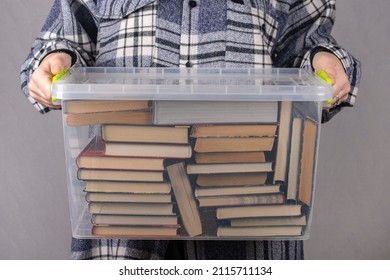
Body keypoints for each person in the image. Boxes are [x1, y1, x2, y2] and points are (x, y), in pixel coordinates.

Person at [20, 0, 361, 260]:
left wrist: (324, 62)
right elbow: (62, 38)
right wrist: (55, 60)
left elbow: (308, 47)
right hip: (122, 204)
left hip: (249, 204)